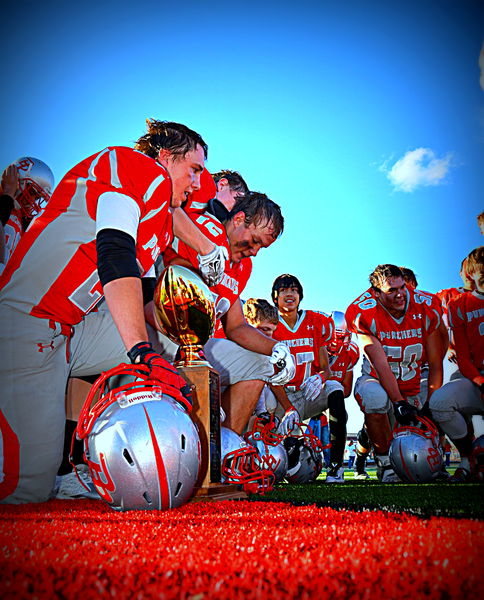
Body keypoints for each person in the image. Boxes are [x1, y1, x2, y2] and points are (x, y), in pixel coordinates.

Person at [0, 120, 228, 504]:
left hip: (70, 330)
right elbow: (114, 255)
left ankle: (143, 439)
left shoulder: (155, 213)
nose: (196, 182)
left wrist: (186, 345)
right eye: (194, 169)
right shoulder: (135, 167)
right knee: (27, 490)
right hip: (27, 324)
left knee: (175, 341)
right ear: (166, 157)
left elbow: (145, 296)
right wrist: (141, 351)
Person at [154, 192, 295, 436]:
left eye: (262, 246)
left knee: (261, 364)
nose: (255, 251)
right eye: (255, 241)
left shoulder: (243, 266)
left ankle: (226, 446)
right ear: (238, 219)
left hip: (198, 346)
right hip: (160, 334)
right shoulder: (206, 230)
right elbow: (170, 271)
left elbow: (237, 326)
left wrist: (276, 348)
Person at [345, 264, 443, 483]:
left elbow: (435, 362)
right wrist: (399, 402)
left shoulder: (426, 307)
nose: (400, 295)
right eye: (391, 290)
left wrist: (430, 402)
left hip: (413, 381)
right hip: (378, 379)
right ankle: (384, 463)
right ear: (377, 293)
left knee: (440, 405)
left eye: (402, 288)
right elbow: (381, 365)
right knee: (374, 397)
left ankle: (446, 462)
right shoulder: (364, 313)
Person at [268, 275, 349, 482]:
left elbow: (326, 369)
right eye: (284, 290)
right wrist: (288, 408)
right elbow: (270, 375)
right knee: (289, 464)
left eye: (294, 290)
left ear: (300, 296)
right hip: (281, 397)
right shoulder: (270, 323)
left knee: (335, 388)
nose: (289, 294)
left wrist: (321, 378)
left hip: (309, 392)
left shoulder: (315, 321)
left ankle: (336, 466)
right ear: (275, 297)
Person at [430, 246, 484, 482]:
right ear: (471, 275)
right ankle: (466, 459)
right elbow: (462, 354)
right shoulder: (458, 304)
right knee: (440, 402)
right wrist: (480, 381)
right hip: (475, 376)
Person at [0, 157, 54, 272]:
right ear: (17, 180)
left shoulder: (22, 220)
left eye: (38, 197)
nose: (33, 200)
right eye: (32, 192)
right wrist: (8, 194)